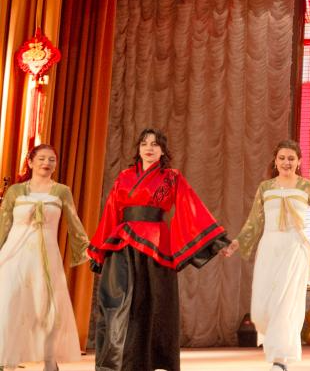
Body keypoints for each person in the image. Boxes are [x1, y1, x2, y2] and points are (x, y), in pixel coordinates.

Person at [88, 128, 230, 371]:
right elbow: (111, 211)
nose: (149, 148)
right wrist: (98, 247)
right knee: (118, 303)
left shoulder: (171, 177)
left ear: (163, 150)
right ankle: (116, 363)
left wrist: (217, 241)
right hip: (122, 244)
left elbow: (191, 206)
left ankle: (149, 361)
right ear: (138, 148)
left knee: (153, 303)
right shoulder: (124, 176)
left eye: (155, 144)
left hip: (155, 245)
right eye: (144, 143)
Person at [220, 140, 310, 371]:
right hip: (269, 249)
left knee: (285, 303)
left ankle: (280, 360)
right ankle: (277, 350)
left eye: (291, 158)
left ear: (299, 161)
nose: (286, 162)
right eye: (282, 158)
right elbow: (254, 223)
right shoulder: (265, 188)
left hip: (294, 248)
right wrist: (236, 243)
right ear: (275, 161)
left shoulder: (306, 186)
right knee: (261, 310)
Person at [0, 145, 89, 371]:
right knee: (8, 303)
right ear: (30, 162)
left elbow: (74, 222)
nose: (46, 163)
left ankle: (50, 361)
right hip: (15, 254)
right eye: (41, 158)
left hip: (46, 257)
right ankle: (5, 357)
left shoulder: (61, 191)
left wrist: (87, 249)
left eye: (51, 159)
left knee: (47, 309)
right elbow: (3, 225)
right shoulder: (16, 191)